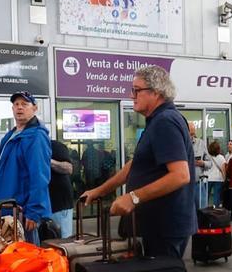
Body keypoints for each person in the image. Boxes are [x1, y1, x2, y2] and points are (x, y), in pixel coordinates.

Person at [80, 66, 195, 258]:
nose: (132, 95)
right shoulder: (157, 121)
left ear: (156, 92)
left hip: (164, 227)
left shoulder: (165, 121)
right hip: (156, 225)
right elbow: (135, 166)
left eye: (136, 90)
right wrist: (99, 191)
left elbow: (180, 176)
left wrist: (133, 197)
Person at [0, 91, 52, 243]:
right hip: (5, 209)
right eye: (16, 104)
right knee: (8, 259)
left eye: (25, 104)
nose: (19, 108)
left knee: (24, 260)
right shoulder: (11, 135)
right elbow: (8, 170)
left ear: (35, 108)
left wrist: (34, 211)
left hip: (21, 212)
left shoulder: (36, 136)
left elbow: (39, 176)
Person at [49, 138, 75, 238]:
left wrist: (49, 161)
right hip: (44, 205)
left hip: (59, 204)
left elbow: (69, 168)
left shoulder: (55, 146)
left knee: (62, 240)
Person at [189, 121, 209, 209]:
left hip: (198, 184)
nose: (192, 137)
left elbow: (210, 163)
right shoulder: (178, 143)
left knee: (202, 211)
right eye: (190, 134)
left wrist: (203, 163)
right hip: (183, 186)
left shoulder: (201, 143)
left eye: (193, 134)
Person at [205, 141, 226, 207]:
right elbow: (223, 170)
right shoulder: (221, 157)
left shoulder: (207, 157)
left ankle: (205, 208)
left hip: (208, 178)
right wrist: (224, 178)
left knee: (206, 195)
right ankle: (215, 209)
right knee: (216, 195)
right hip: (218, 178)